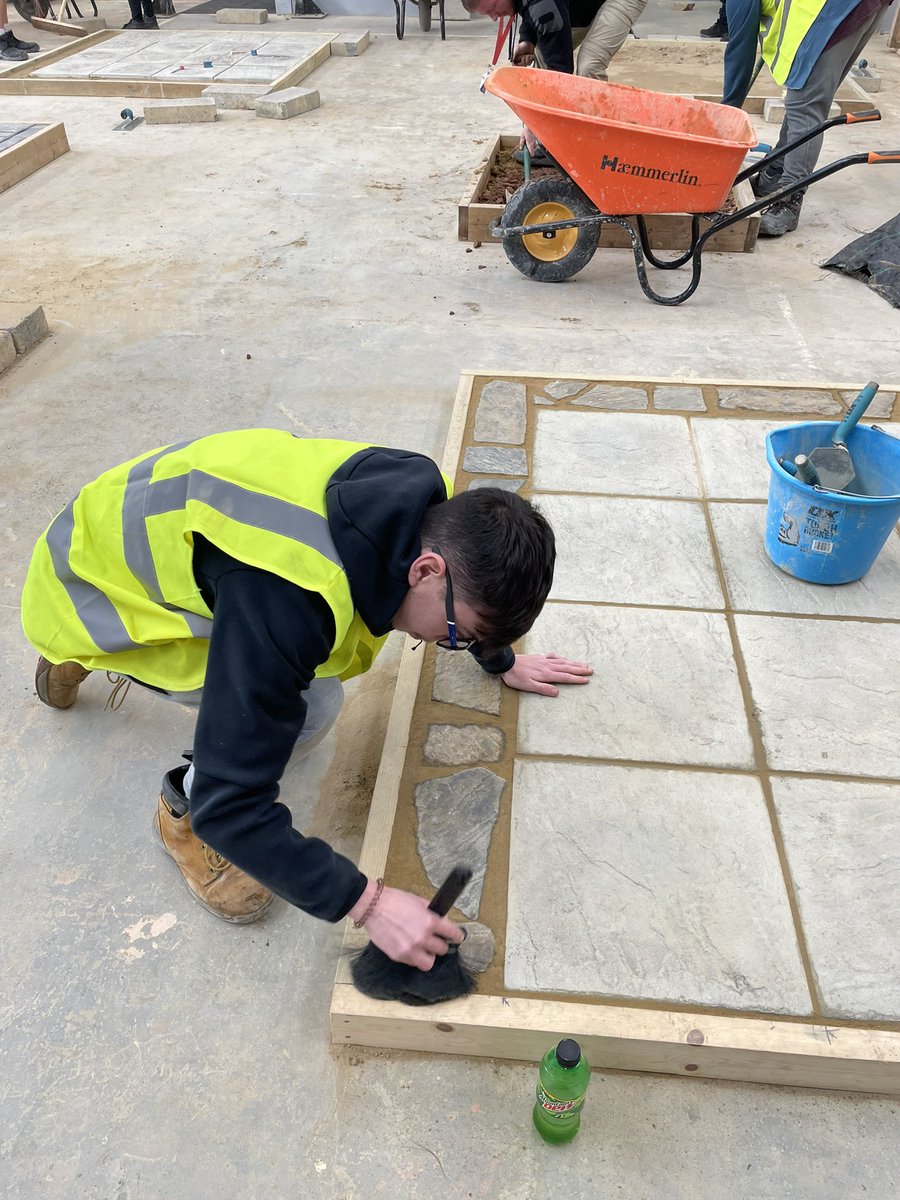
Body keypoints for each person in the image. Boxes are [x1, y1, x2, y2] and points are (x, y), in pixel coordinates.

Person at [21, 431, 592, 971]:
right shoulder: (288, 600)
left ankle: (85, 655)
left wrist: (500, 657)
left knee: (286, 672)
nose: (448, 645)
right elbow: (234, 807)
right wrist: (369, 904)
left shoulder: (415, 497)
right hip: (86, 590)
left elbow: (459, 595)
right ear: (425, 570)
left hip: (115, 527)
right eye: (457, 634)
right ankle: (175, 805)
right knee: (314, 705)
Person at [722, 0, 890, 236]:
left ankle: (788, 198)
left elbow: (740, 49)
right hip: (853, 7)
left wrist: (728, 111)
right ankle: (776, 171)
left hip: (831, 10)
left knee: (807, 102)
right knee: (803, 95)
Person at [464, 0, 647, 157]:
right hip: (583, 6)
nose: (494, 18)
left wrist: (534, 123)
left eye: (491, 9)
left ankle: (596, 150)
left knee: (589, 67)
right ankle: (552, 142)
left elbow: (560, 74)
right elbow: (529, 8)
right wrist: (526, 40)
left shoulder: (544, 5)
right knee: (543, 52)